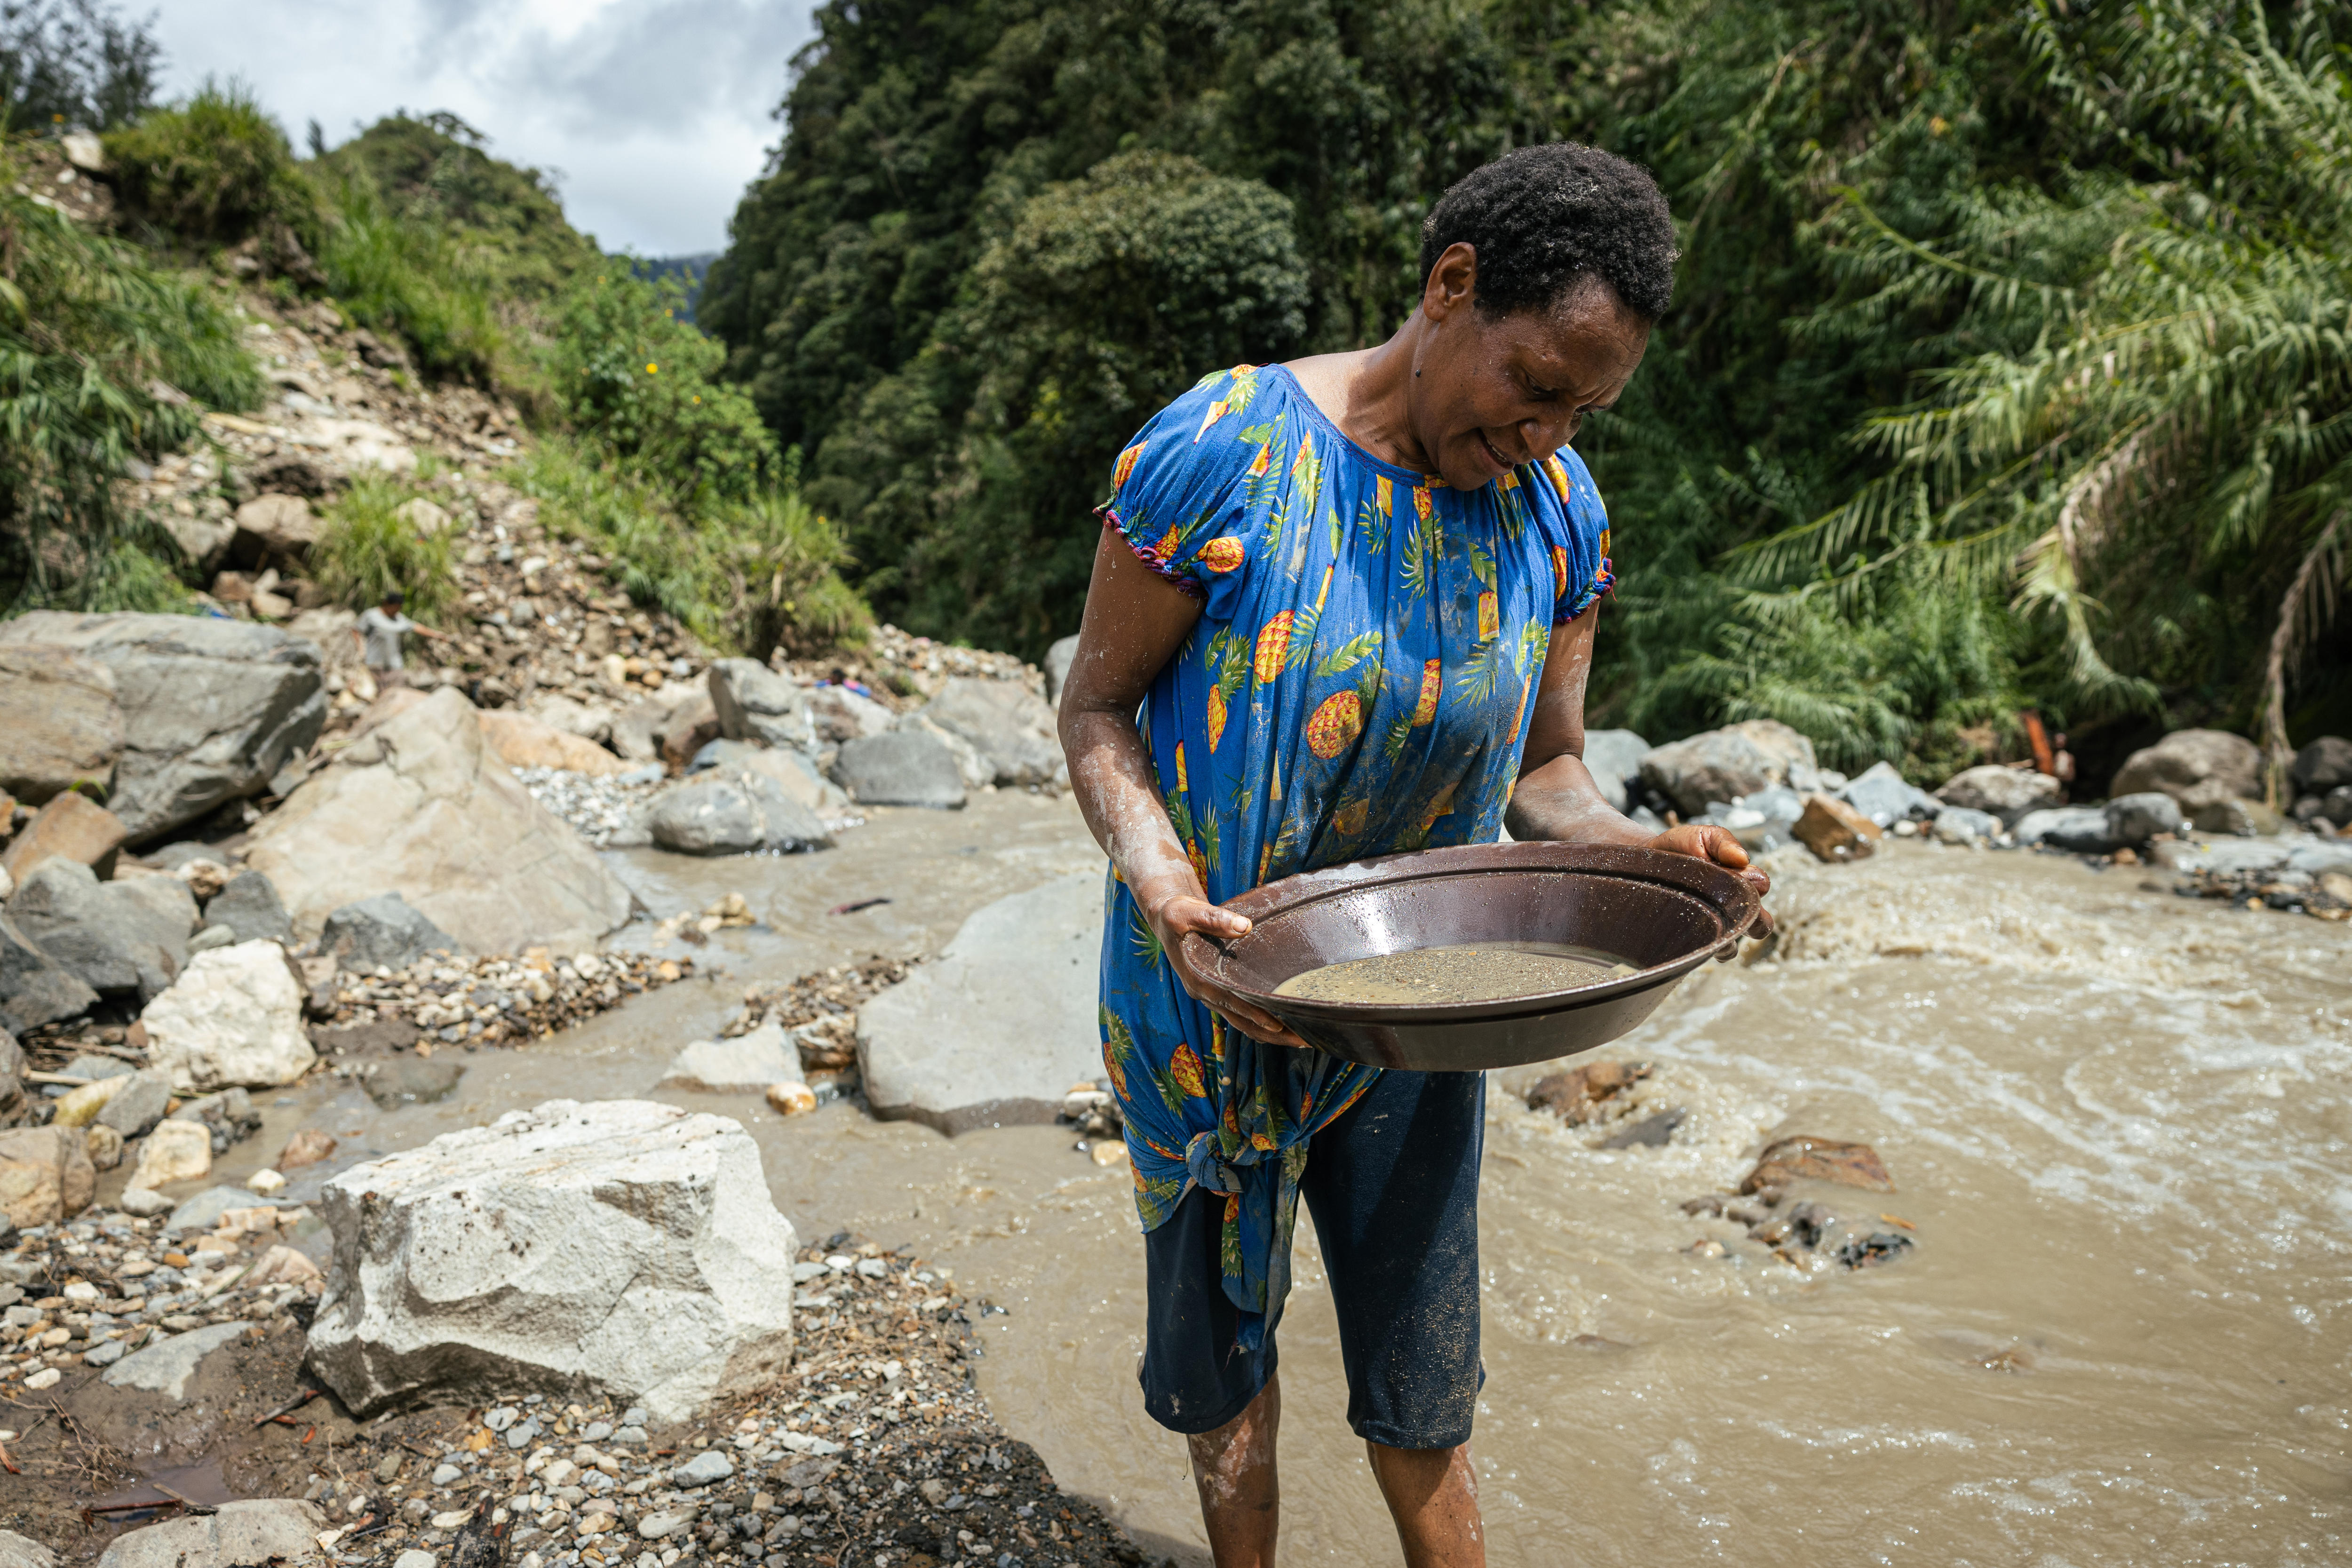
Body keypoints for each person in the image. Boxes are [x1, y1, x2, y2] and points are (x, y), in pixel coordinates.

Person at [1057, 143, 1772, 1568]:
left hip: (1422, 1011)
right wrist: (1160, 881)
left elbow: (1547, 775)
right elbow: (1096, 707)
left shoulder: (1555, 516)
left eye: (1582, 410)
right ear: (1450, 285)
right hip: (1209, 1000)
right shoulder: (1224, 452)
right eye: (1533, 383)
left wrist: (1646, 853)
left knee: (1422, 1384)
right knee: (1224, 1384)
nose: (1547, 433)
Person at [352, 589, 446, 689]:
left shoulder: (399, 618)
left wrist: (437, 635)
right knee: (378, 692)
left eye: (398, 609)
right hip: (375, 663)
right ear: (386, 603)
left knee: (397, 690)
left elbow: (415, 627)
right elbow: (356, 630)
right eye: (394, 608)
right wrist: (360, 648)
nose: (396, 611)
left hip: (395, 664)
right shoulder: (371, 615)